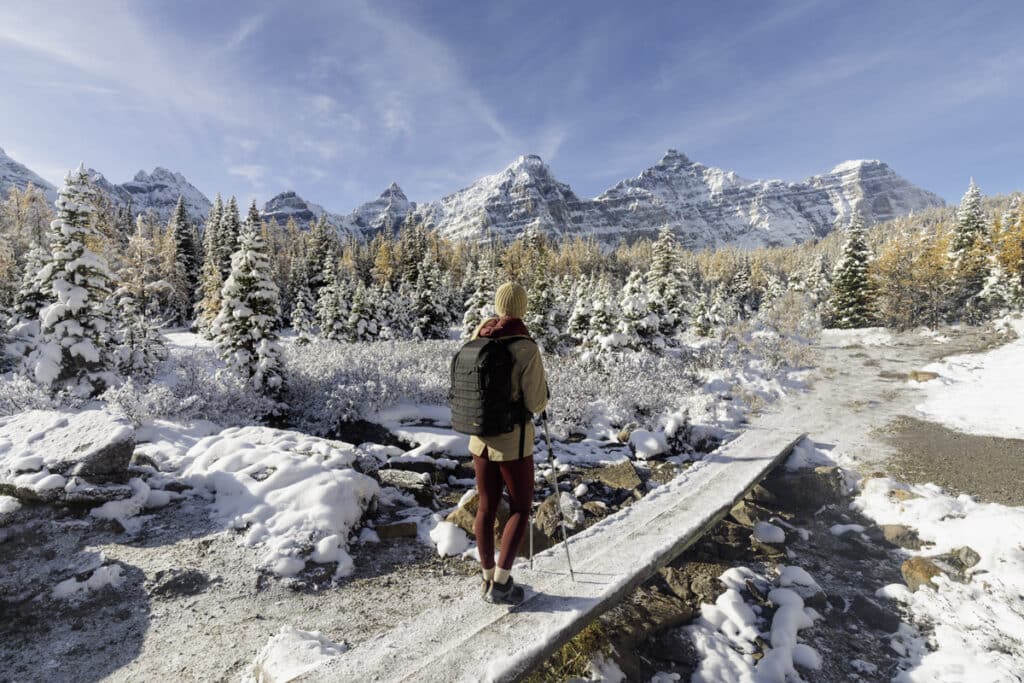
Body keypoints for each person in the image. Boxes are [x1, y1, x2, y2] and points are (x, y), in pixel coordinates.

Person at [470, 282, 548, 605]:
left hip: (479, 439)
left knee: (486, 507)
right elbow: (536, 402)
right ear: (522, 308)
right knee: (520, 507)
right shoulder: (525, 347)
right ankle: (502, 583)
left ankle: (487, 575)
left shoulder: (479, 337)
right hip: (512, 443)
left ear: (498, 305)